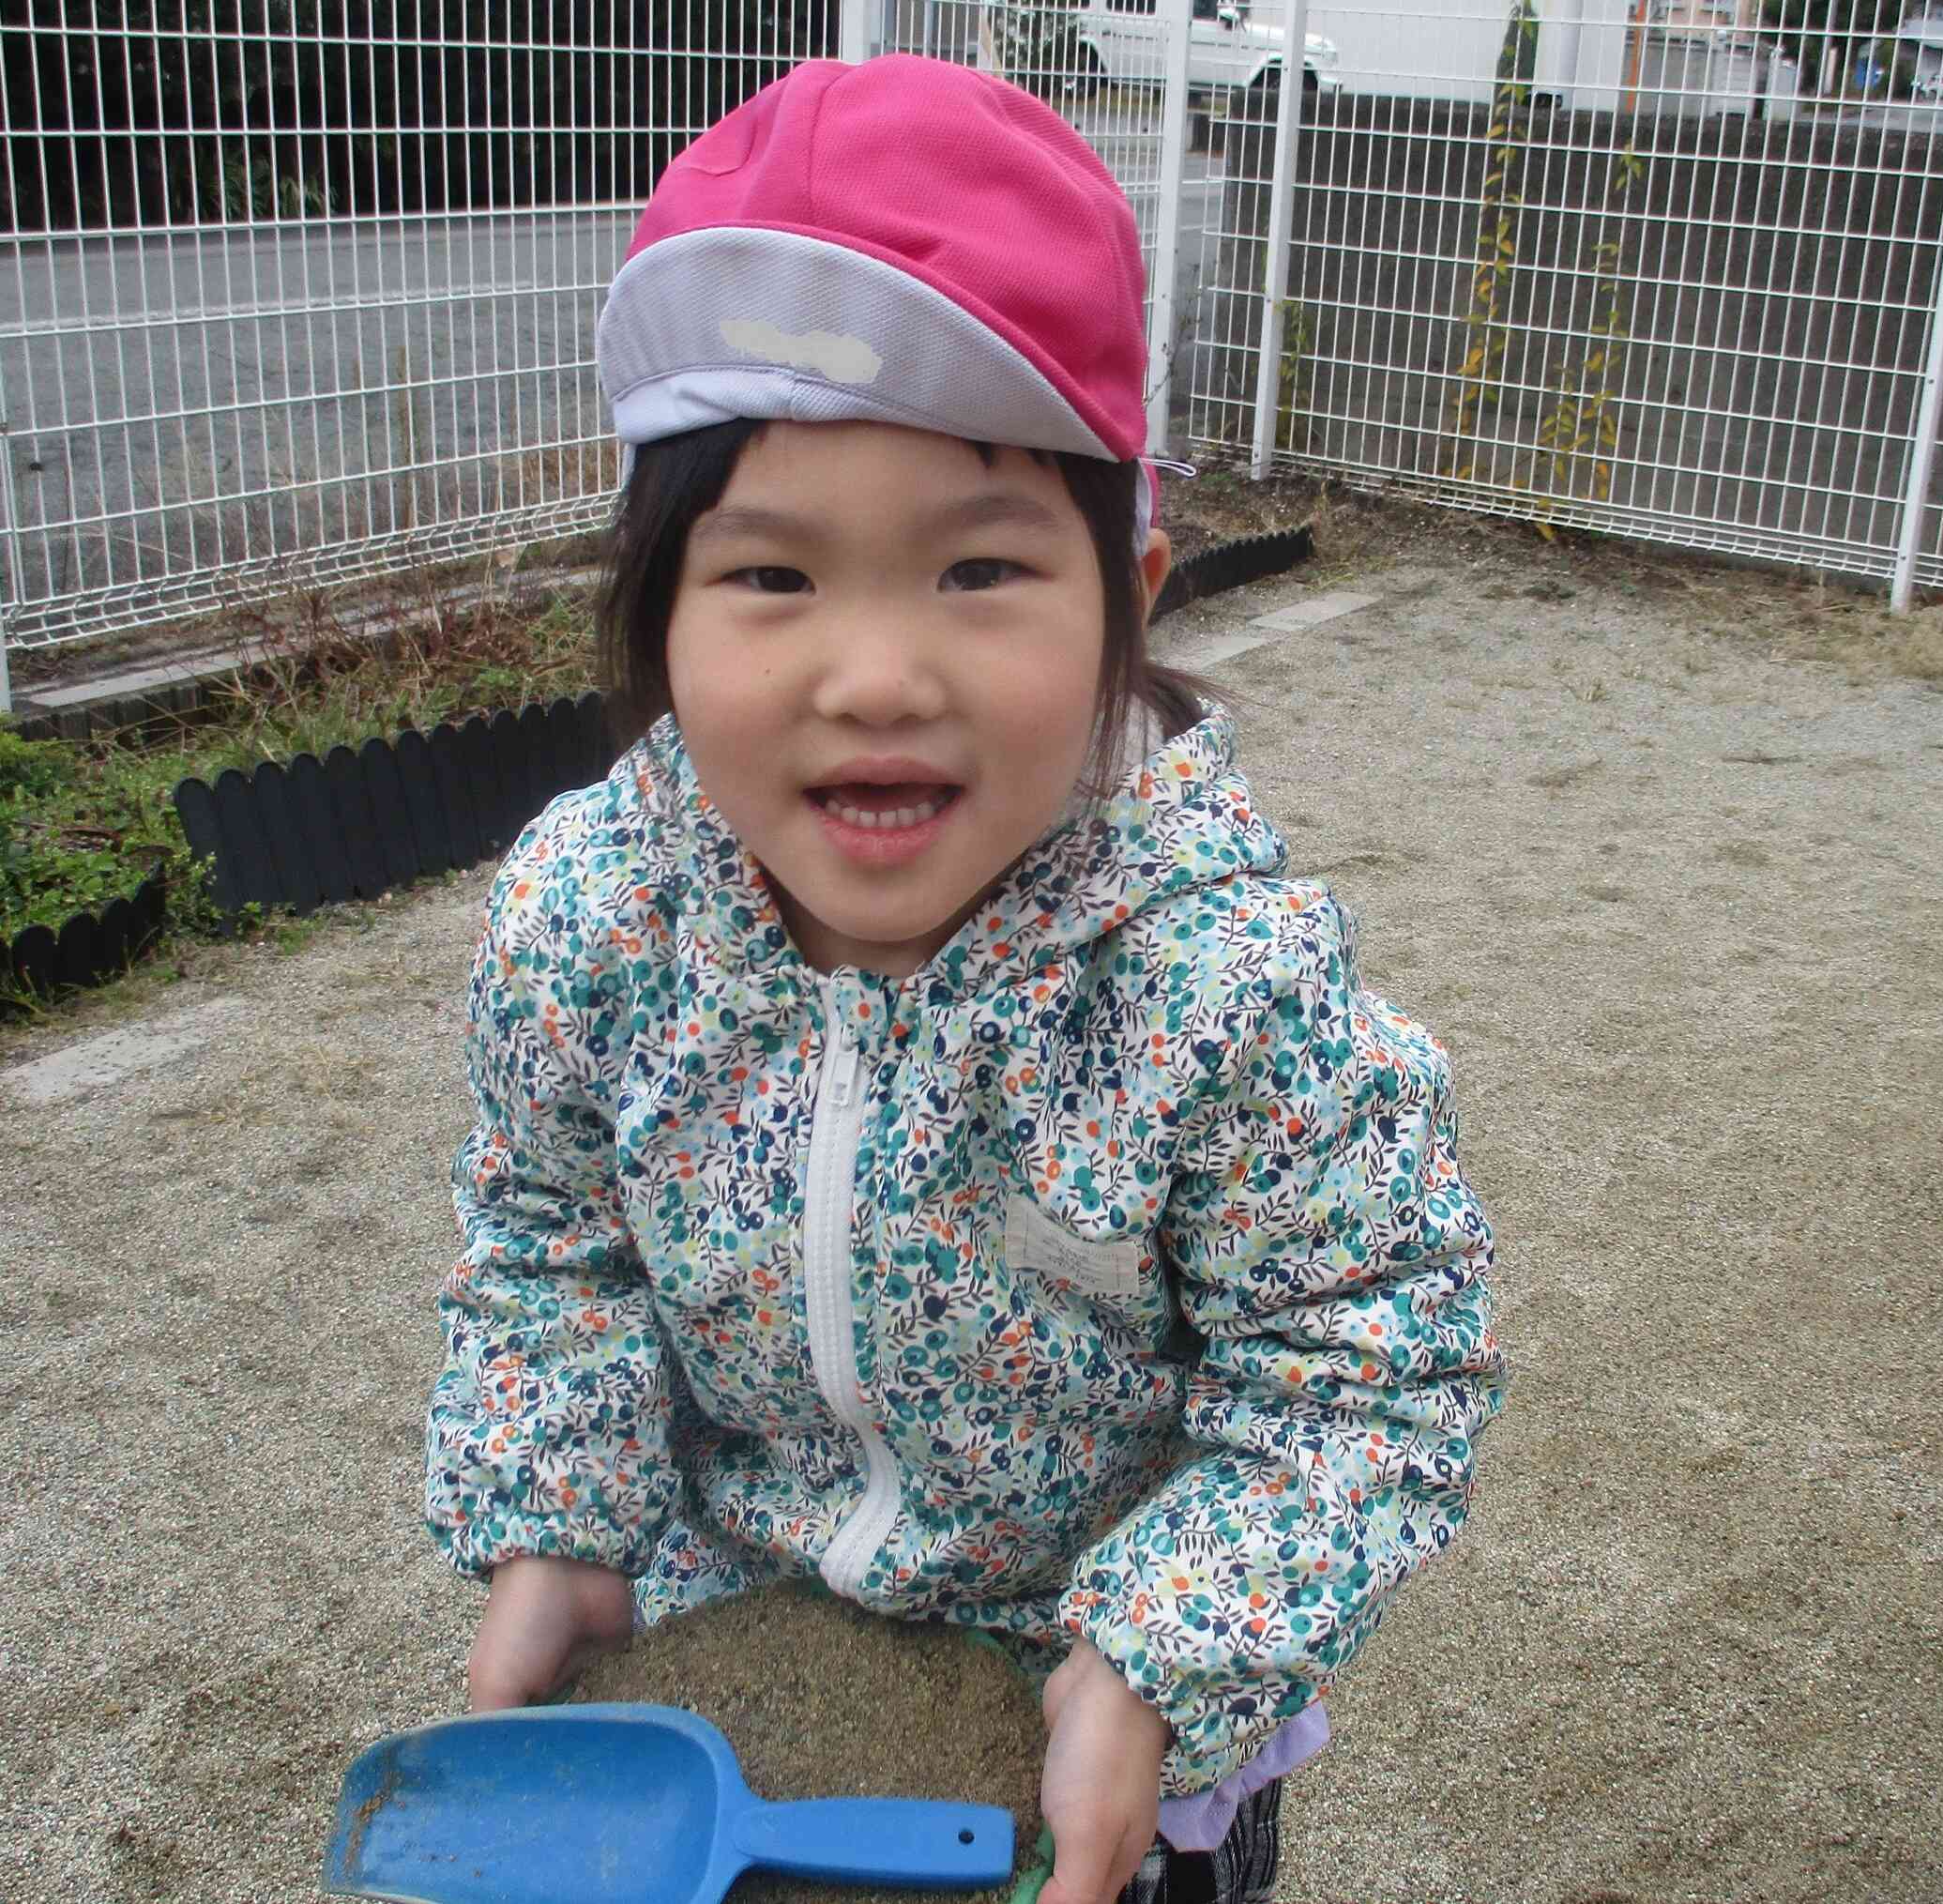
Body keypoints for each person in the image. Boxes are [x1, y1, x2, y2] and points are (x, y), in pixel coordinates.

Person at [425, 53, 1504, 1904]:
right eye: (770, 578)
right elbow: (551, 1251)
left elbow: (1371, 1355)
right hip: (735, 1678)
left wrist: (1161, 1651)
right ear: (656, 603)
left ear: (1129, 595)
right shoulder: (592, 927)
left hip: (1097, 1714)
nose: (872, 674)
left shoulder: (1217, 992)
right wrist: (565, 1527)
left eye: (979, 569)